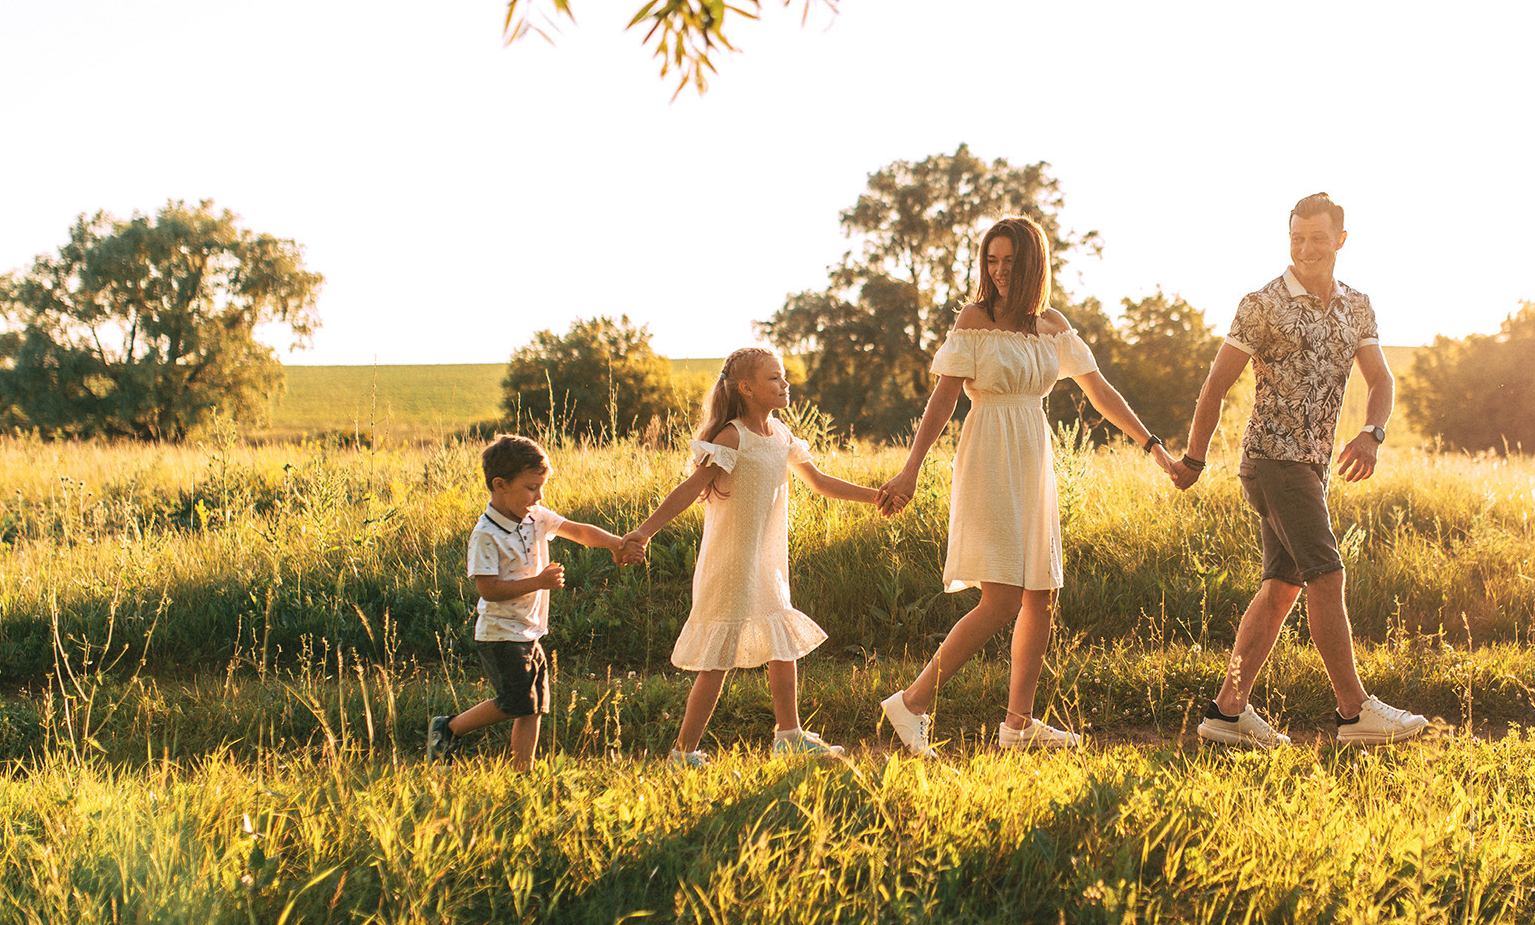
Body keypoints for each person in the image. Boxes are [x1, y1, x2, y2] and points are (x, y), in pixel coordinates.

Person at [875, 216, 1183, 757]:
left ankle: (1018, 724)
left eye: (1009, 262)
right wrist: (911, 468)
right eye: (991, 261)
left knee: (1041, 593)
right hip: (990, 450)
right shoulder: (976, 319)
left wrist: (1152, 446)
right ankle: (913, 701)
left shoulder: (1051, 326)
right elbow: (944, 398)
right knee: (1001, 598)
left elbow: (1100, 391)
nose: (997, 272)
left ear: (1033, 265)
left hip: (1033, 454)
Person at [1171, 192, 1427, 749]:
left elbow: (1381, 380)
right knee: (1326, 574)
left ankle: (1228, 711)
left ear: (1339, 239)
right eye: (1296, 237)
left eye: (1316, 237)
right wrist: (1194, 456)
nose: (1305, 248)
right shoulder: (1262, 304)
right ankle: (1354, 711)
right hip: (1272, 459)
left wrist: (1372, 432)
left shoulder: (1356, 306)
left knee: (1281, 588)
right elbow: (1216, 385)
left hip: (1311, 467)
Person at [621, 346, 879, 766]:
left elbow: (821, 482)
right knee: (719, 658)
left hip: (766, 561)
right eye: (774, 378)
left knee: (781, 643)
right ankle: (683, 752)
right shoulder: (732, 436)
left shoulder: (780, 435)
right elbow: (690, 489)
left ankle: (789, 735)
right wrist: (644, 532)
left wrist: (877, 496)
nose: (785, 384)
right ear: (746, 388)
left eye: (783, 377)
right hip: (731, 564)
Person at [426, 433, 639, 771]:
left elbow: (578, 531)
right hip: (500, 633)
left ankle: (522, 771)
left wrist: (616, 543)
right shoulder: (486, 535)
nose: (538, 496)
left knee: (534, 705)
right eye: (530, 487)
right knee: (517, 702)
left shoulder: (535, 517)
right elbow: (488, 589)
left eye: (541, 486)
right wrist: (538, 582)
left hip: (530, 631)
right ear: (500, 484)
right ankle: (449, 728)